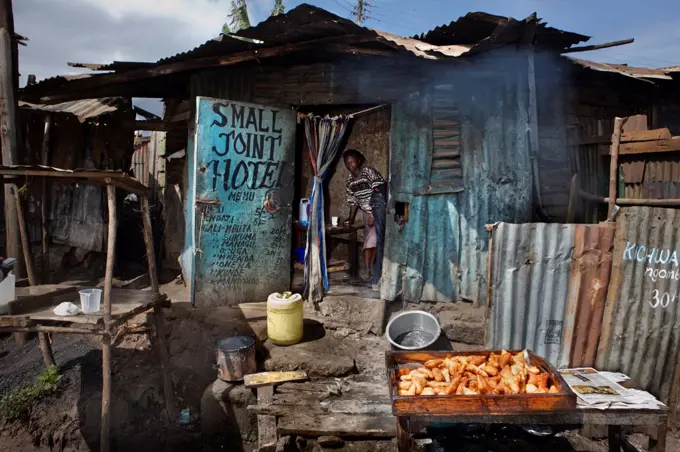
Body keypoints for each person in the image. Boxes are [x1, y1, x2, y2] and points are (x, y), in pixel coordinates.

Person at [342, 149, 387, 291]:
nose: (350, 165)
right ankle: (370, 272)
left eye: (352, 161)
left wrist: (374, 212)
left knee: (380, 242)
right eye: (347, 163)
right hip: (367, 213)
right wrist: (350, 218)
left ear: (359, 161)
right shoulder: (350, 180)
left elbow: (380, 190)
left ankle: (378, 278)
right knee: (369, 242)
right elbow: (353, 201)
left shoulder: (368, 172)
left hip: (378, 209)